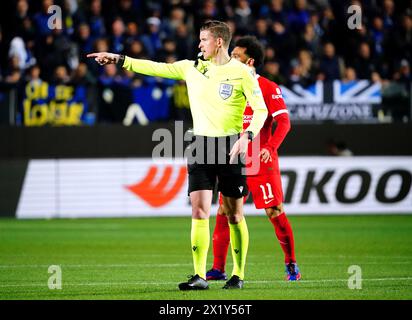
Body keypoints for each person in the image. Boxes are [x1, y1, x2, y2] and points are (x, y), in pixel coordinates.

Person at [87, 20, 268, 290]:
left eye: (203, 40)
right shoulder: (191, 67)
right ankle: (199, 276)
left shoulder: (242, 72)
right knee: (199, 210)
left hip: (231, 146)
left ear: (218, 41)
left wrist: (247, 136)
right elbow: (155, 67)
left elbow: (261, 110)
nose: (199, 44)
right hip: (200, 145)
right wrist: (118, 59)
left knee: (234, 215)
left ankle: (238, 275)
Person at [206, 36, 301, 282]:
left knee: (274, 210)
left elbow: (284, 122)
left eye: (235, 56)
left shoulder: (268, 87)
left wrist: (270, 146)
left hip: (261, 161)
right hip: (234, 160)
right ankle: (218, 268)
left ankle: (290, 263)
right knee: (224, 211)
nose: (230, 59)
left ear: (249, 62)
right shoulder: (226, 86)